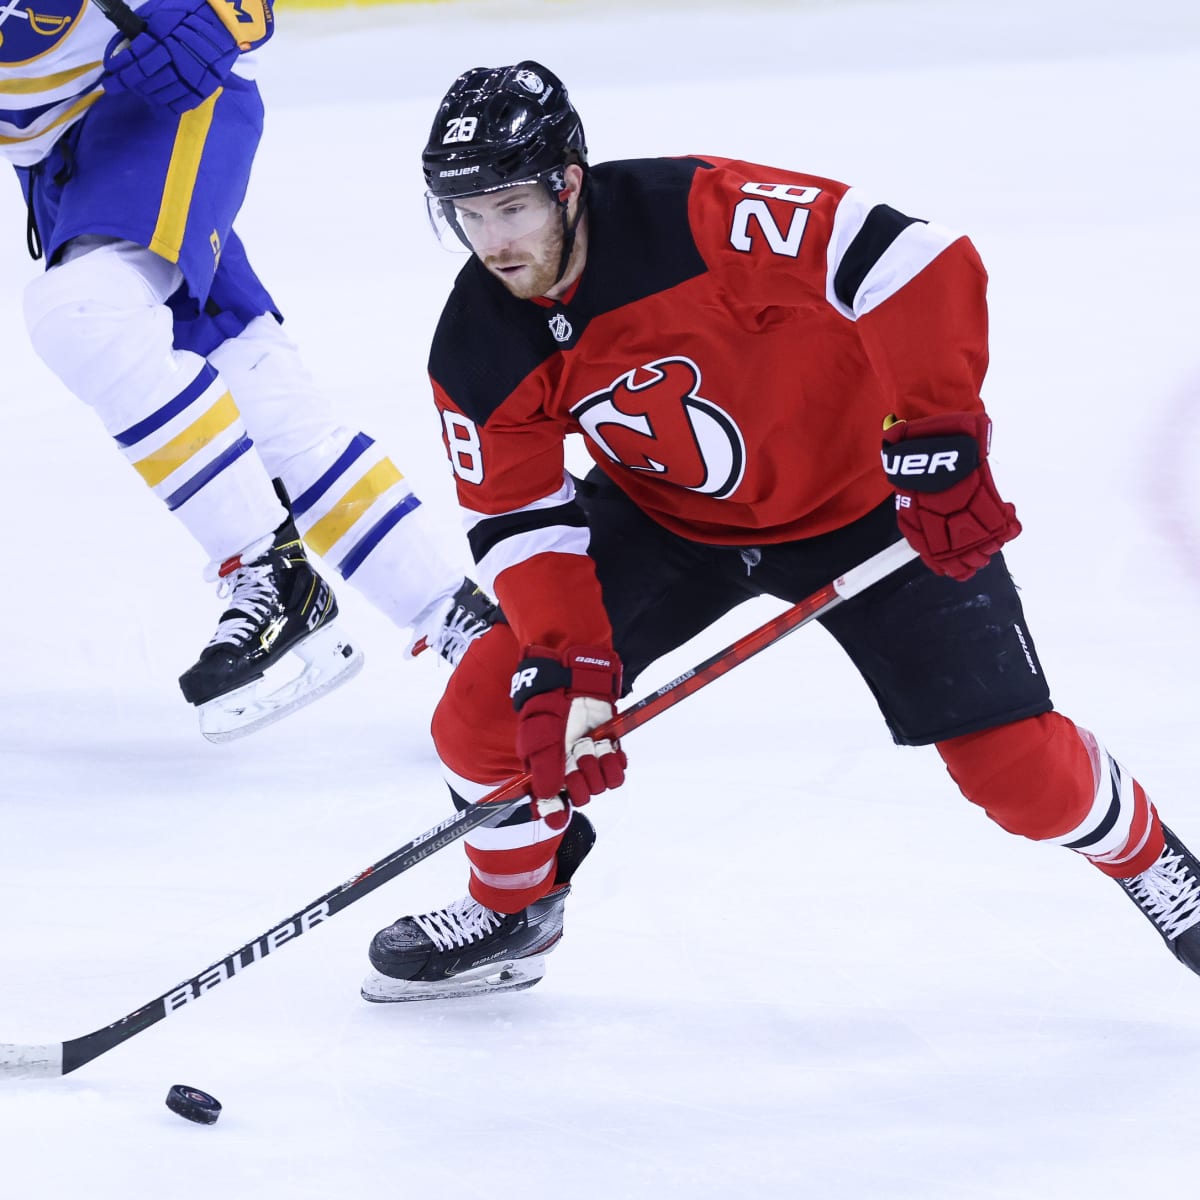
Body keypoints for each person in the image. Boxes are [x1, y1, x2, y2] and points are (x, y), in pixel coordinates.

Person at [360, 59, 1200, 1002]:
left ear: (568, 179)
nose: (492, 243)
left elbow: (917, 260)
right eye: (465, 216)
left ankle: (1155, 865)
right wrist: (568, 657)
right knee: (490, 711)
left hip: (868, 511)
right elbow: (517, 513)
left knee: (1016, 776)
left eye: (510, 207)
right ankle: (515, 908)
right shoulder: (478, 340)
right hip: (665, 520)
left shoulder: (701, 214)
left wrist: (937, 435)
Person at [3, 0, 496, 740]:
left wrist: (219, 15)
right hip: (59, 162)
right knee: (257, 397)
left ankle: (270, 569)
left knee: (85, 311)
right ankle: (472, 630)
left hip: (151, 93)